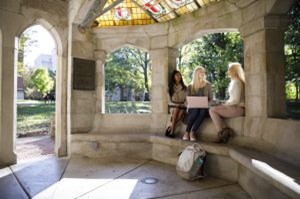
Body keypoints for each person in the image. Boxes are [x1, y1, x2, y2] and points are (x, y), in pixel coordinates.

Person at [209, 62, 245, 143]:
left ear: (233, 71)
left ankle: (221, 132)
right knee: (213, 109)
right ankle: (225, 131)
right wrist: (223, 103)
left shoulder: (237, 83)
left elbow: (236, 100)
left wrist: (225, 104)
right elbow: (232, 99)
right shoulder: (234, 82)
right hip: (234, 107)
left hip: (238, 108)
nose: (227, 71)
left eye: (229, 69)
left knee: (212, 110)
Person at [183, 66, 213, 141]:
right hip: (193, 108)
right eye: (200, 72)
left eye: (203, 72)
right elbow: (187, 100)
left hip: (204, 107)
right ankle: (187, 132)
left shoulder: (208, 85)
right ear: (196, 74)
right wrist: (189, 104)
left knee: (203, 111)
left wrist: (207, 104)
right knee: (195, 110)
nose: (203, 73)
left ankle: (192, 132)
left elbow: (211, 99)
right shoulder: (190, 86)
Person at [165, 70, 187, 138]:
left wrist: (183, 105)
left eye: (179, 75)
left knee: (181, 111)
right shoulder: (170, 88)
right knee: (177, 109)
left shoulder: (185, 88)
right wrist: (175, 105)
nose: (179, 76)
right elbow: (169, 101)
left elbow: (186, 100)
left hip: (183, 106)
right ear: (173, 77)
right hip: (173, 106)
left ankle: (171, 127)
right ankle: (172, 131)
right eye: (177, 75)